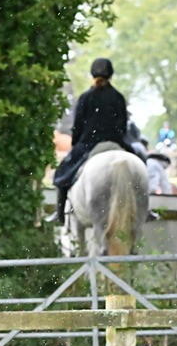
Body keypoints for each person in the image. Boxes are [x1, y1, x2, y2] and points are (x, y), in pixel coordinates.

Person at [47, 58, 134, 225]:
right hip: (116, 142)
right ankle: (147, 209)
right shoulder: (118, 97)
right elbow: (122, 126)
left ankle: (60, 215)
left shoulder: (86, 97)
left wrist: (75, 146)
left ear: (92, 74)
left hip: (90, 143)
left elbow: (78, 126)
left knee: (62, 175)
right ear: (111, 75)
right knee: (141, 164)